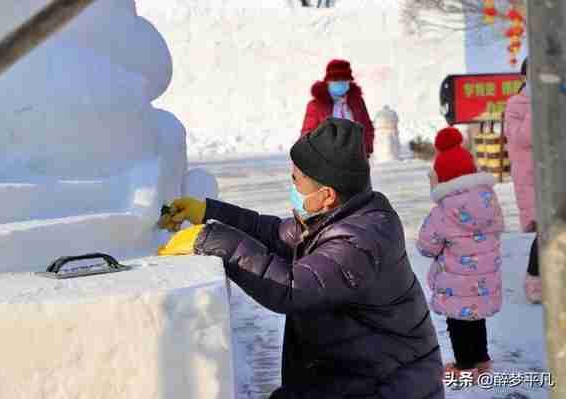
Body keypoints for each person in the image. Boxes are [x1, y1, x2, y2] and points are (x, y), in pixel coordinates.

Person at [158, 118, 444, 399]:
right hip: (345, 375)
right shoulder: (338, 216)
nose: (292, 187)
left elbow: (291, 289)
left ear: (327, 194)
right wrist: (208, 212)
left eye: (296, 180)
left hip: (386, 385)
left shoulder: (361, 241)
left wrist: (213, 240)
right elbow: (273, 234)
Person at [417, 127, 504, 380]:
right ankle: (482, 359)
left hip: (455, 283)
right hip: (485, 279)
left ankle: (465, 366)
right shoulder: (490, 201)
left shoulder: (443, 211)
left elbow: (426, 246)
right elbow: (499, 228)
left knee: (458, 323)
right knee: (476, 318)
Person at [504, 57, 541, 304]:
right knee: (547, 232)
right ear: (524, 77)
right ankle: (534, 280)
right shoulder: (516, 105)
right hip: (533, 180)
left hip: (556, 174)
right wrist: (537, 108)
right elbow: (521, 139)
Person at [301, 59, 375, 158]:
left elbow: (367, 127)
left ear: (349, 81)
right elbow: (307, 133)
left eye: (344, 80)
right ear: (328, 81)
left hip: (355, 158)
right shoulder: (316, 105)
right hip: (327, 160)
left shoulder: (357, 102)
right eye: (336, 80)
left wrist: (366, 149)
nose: (340, 83)